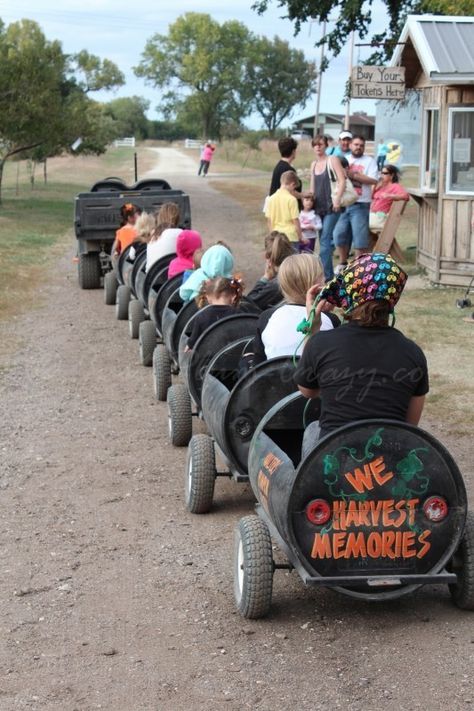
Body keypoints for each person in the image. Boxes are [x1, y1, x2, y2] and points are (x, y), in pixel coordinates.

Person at [294, 252, 428, 445]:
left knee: (312, 430)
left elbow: (307, 391)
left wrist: (313, 328)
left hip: (332, 463)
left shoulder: (321, 343)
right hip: (389, 461)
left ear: (350, 293)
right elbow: (410, 426)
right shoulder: (413, 353)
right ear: (393, 298)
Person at [241, 253, 338, 369]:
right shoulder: (331, 320)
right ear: (318, 285)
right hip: (315, 383)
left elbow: (260, 366)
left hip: (274, 383)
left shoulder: (267, 317)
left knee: (247, 358)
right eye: (323, 276)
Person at [332, 135, 378, 272]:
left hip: (361, 203)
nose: (358, 147)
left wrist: (354, 175)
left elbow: (374, 180)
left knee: (360, 238)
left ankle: (359, 268)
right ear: (351, 145)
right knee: (339, 235)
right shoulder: (342, 159)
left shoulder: (370, 161)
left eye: (361, 145)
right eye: (356, 144)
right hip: (343, 204)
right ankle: (343, 263)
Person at [310, 135, 346, 281]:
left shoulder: (332, 159)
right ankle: (328, 274)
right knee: (323, 241)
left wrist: (337, 200)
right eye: (315, 145)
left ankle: (326, 277)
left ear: (326, 145)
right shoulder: (313, 164)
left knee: (325, 239)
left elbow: (342, 180)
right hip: (318, 207)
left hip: (332, 206)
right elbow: (312, 187)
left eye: (320, 144)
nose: (318, 147)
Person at [185, 276, 244, 350]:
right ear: (233, 297)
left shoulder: (201, 316)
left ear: (207, 297)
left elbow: (193, 339)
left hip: (208, 357)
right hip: (233, 355)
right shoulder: (239, 315)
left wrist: (189, 345)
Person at [246, 231, 294, 311]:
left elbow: (250, 303)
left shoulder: (277, 283)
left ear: (267, 257)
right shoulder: (296, 271)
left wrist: (265, 278)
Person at [265, 171, 303, 248]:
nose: (294, 190)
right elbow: (295, 220)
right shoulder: (291, 199)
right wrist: (300, 236)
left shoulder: (270, 199)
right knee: (293, 259)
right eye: (294, 188)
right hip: (291, 237)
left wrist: (272, 234)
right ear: (292, 184)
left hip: (277, 236)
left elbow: (269, 220)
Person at [369, 164, 410, 233]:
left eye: (385, 173)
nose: (382, 175)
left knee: (358, 224)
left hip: (380, 217)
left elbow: (406, 196)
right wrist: (375, 184)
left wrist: (390, 196)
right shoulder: (380, 186)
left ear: (392, 175)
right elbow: (371, 197)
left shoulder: (395, 186)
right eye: (381, 173)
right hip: (373, 215)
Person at [146, 202, 182, 272]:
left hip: (151, 277)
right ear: (177, 218)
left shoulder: (153, 233)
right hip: (172, 278)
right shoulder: (180, 233)